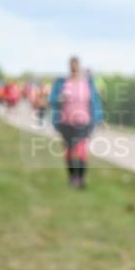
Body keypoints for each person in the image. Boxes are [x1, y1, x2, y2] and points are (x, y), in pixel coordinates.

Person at [49, 57, 104, 189]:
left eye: (76, 66)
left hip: (84, 122)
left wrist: (99, 118)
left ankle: (81, 178)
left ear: (79, 66)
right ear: (69, 67)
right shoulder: (62, 82)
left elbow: (95, 101)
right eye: (72, 66)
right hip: (65, 121)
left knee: (81, 150)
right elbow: (52, 99)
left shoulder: (87, 83)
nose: (74, 68)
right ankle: (72, 177)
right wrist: (59, 99)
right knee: (68, 151)